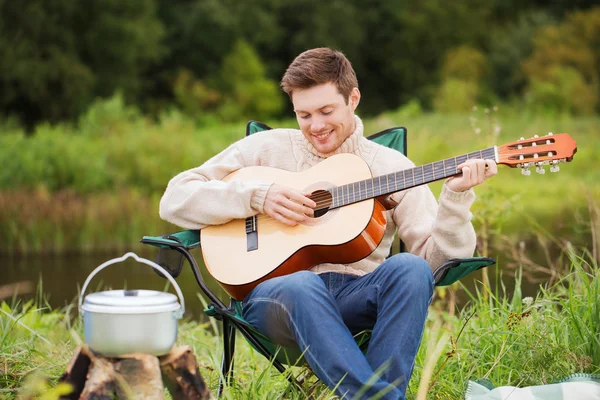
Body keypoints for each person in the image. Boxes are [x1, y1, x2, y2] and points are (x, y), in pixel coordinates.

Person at [159, 47, 497, 399]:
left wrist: (456, 199)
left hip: (355, 295)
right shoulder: (265, 149)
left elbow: (437, 265)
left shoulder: (392, 167)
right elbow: (175, 198)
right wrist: (256, 197)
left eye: (326, 111)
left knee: (410, 269)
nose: (315, 126)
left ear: (353, 98)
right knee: (302, 284)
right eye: (303, 115)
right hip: (277, 298)